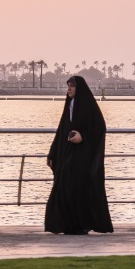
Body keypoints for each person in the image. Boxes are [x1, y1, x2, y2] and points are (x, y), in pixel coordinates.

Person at [45, 75, 113, 235]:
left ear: (79, 88)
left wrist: (82, 137)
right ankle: (67, 224)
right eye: (68, 86)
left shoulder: (88, 106)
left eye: (72, 86)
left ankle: (81, 223)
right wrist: (53, 152)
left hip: (84, 154)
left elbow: (99, 127)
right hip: (69, 151)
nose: (69, 89)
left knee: (78, 185)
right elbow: (62, 130)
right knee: (63, 183)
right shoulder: (69, 104)